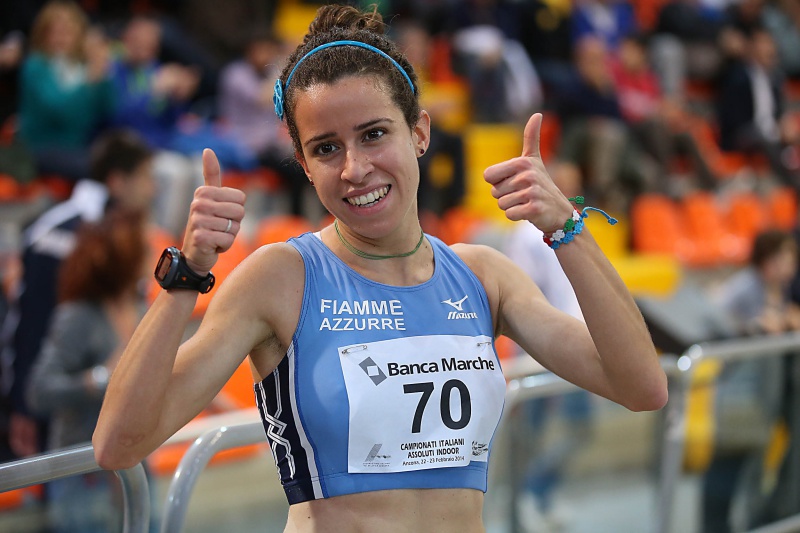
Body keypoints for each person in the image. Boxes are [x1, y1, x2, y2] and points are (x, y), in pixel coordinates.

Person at [92, 5, 667, 532]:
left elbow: (641, 386)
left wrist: (566, 228)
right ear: (304, 164)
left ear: (419, 132)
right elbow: (118, 444)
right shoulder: (280, 279)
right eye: (326, 148)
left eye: (373, 134)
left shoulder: (483, 277)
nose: (355, 168)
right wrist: (186, 274)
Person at [0, 129, 155, 459]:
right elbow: (29, 320)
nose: (151, 189)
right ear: (117, 181)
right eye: (144, 177)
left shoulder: (125, 233)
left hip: (115, 427)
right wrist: (21, 406)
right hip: (61, 412)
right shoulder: (59, 232)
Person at [26, 208, 148, 533]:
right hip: (84, 472)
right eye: (144, 246)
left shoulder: (142, 310)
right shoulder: (78, 316)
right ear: (127, 258)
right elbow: (39, 391)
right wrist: (100, 378)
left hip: (135, 464)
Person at [705, 228, 800, 532]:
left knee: (754, 472)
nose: (791, 265)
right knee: (726, 472)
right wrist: (754, 327)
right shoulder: (746, 287)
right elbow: (714, 319)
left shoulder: (779, 290)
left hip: (763, 398)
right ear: (769, 259)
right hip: (739, 396)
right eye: (786, 257)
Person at [15, 0, 114, 181]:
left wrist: (104, 77)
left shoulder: (82, 66)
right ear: (43, 34)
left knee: (121, 163)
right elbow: (59, 111)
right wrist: (89, 81)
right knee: (103, 171)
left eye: (67, 32)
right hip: (41, 148)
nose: (61, 38)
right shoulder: (35, 66)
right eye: (54, 32)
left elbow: (109, 109)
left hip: (81, 146)